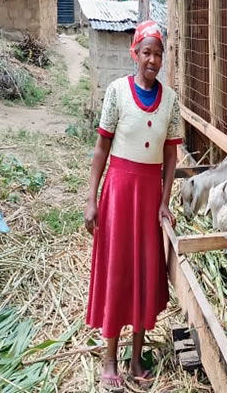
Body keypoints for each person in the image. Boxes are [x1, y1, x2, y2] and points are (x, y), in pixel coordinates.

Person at [84, 20, 181, 390]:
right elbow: (101, 149)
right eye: (147, 52)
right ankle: (109, 359)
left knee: (143, 272)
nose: (153, 60)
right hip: (119, 195)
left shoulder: (170, 100)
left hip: (148, 199)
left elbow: (170, 157)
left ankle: (136, 356)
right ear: (134, 54)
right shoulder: (116, 93)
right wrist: (91, 199)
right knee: (118, 272)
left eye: (158, 53)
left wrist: (165, 202)